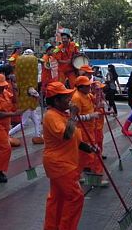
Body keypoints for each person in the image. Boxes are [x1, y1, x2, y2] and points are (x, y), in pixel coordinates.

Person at [42, 82, 92, 230]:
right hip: (60, 164)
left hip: (65, 162)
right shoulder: (51, 116)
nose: (69, 100)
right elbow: (67, 135)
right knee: (75, 197)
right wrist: (73, 115)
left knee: (57, 198)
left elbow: (75, 139)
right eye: (65, 97)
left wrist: (88, 148)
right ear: (56, 101)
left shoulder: (61, 114)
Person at [0, 73, 24, 183]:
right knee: (6, 148)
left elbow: (14, 101)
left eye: (4, 85)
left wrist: (15, 89)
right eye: (0, 85)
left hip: (4, 126)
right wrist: (14, 114)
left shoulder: (4, 92)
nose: (3, 87)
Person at [71, 76, 107, 186]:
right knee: (94, 154)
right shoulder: (76, 98)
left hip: (90, 130)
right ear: (80, 87)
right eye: (86, 86)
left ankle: (76, 177)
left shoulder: (87, 95)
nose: (89, 87)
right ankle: (97, 177)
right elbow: (74, 118)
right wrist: (90, 116)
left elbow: (95, 103)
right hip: (82, 131)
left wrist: (99, 93)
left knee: (83, 157)